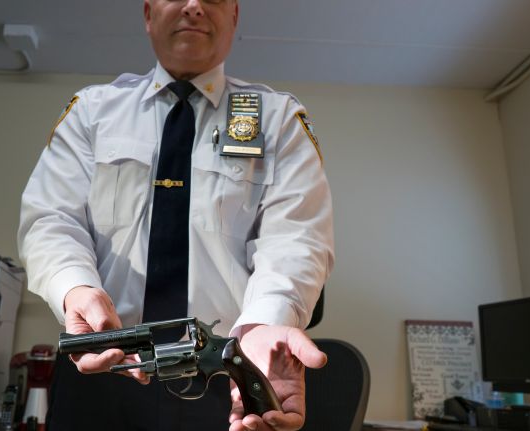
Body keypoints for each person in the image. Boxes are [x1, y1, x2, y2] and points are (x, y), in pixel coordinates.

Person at [17, 0, 335, 430]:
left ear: (235, 16)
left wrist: (262, 329)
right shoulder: (92, 112)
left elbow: (295, 240)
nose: (193, 7)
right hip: (103, 366)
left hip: (228, 375)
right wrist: (77, 292)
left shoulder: (277, 120)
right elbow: (51, 220)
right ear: (148, 14)